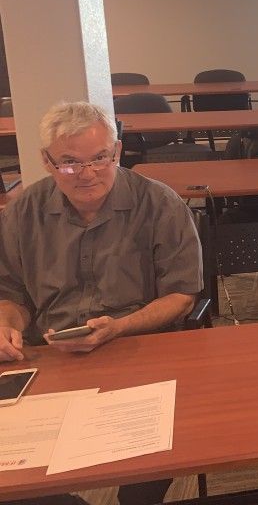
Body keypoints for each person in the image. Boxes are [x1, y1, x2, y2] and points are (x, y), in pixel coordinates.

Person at [0, 102, 202, 505]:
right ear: (46, 161)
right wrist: (8, 324)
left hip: (137, 349)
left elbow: (182, 295)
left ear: (118, 152)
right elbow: (11, 291)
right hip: (50, 356)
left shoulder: (159, 203)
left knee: (141, 474)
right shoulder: (23, 211)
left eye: (100, 159)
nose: (88, 174)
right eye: (70, 163)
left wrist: (120, 327)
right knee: (15, 476)